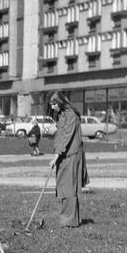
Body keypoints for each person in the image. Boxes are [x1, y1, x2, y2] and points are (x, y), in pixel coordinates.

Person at [48, 91, 88, 228]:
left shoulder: (71, 115)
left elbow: (66, 137)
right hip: (64, 155)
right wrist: (56, 155)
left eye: (54, 104)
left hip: (71, 155)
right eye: (51, 104)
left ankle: (69, 222)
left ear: (60, 102)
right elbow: (60, 136)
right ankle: (70, 220)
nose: (52, 107)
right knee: (64, 186)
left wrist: (56, 157)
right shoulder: (61, 114)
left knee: (68, 188)